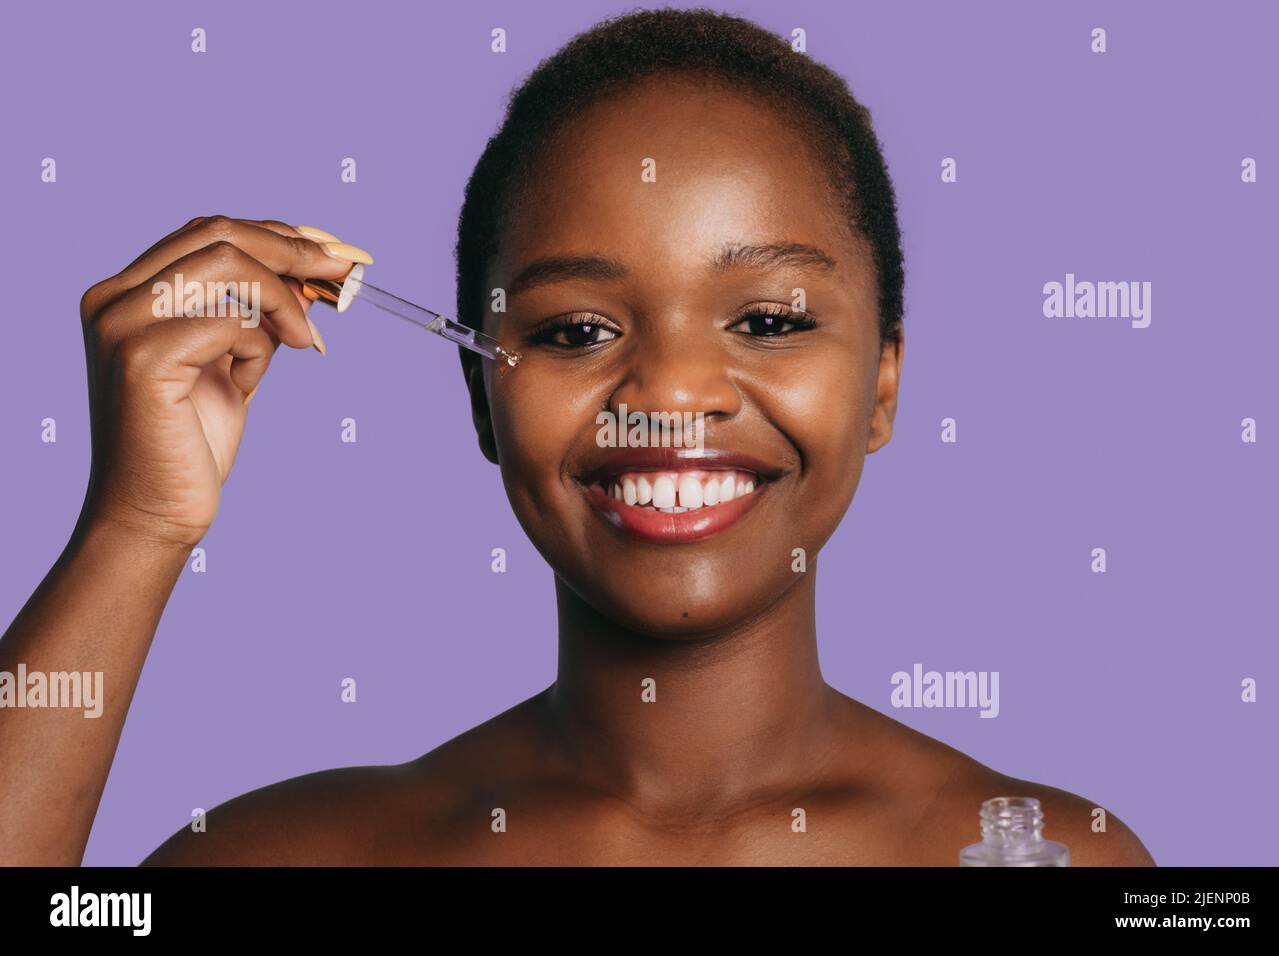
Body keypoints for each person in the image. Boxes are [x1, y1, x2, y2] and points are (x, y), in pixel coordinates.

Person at [0, 8, 1154, 866]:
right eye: (576, 329)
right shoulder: (291, 854)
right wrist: (134, 526)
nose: (670, 389)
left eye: (766, 320)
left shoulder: (1049, 854)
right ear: (480, 398)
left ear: (883, 383)